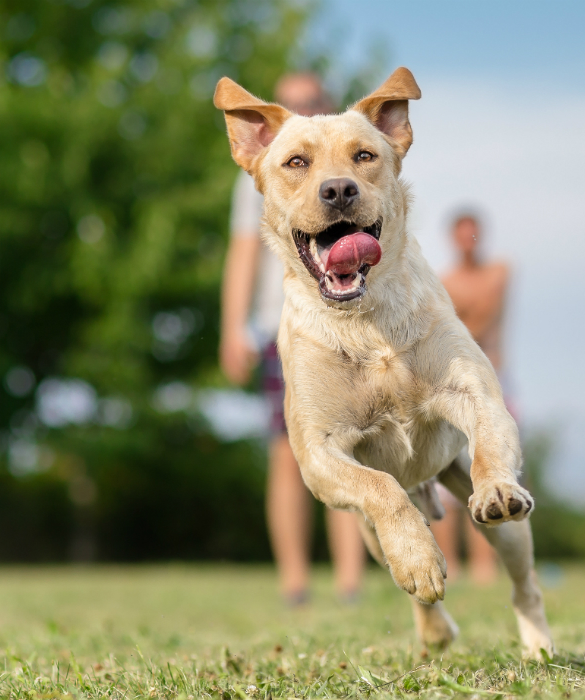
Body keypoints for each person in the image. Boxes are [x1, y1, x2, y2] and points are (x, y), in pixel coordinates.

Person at [219, 73, 365, 604]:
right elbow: (244, 253)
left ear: (328, 106)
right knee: (287, 453)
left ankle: (351, 581)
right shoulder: (262, 169)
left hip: (344, 320)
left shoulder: (349, 168)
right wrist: (231, 328)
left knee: (347, 448)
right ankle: (295, 582)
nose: (304, 109)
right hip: (281, 326)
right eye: (293, 103)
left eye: (313, 101)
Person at [433, 211, 511, 585]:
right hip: (455, 377)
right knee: (446, 474)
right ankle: (452, 563)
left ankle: (485, 565)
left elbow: (478, 317)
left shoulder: (499, 273)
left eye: (473, 235)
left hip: (494, 377)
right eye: (462, 236)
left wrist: (461, 316)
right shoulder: (444, 281)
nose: (468, 242)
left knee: (493, 466)